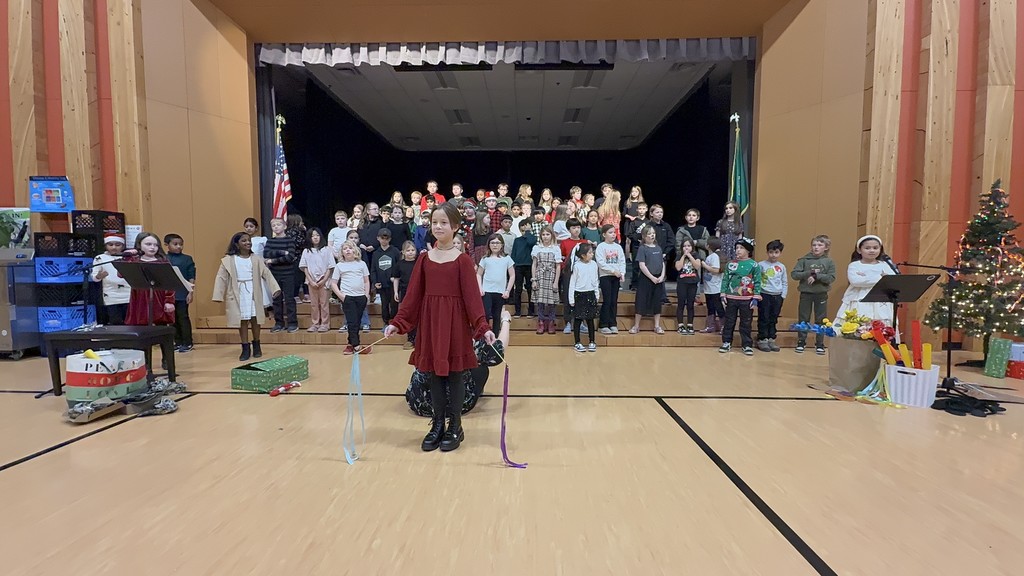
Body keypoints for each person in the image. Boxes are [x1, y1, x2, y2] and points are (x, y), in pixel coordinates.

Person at [384, 201, 496, 453]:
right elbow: (412, 296)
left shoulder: (463, 261)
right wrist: (398, 323)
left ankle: (455, 425)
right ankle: (437, 424)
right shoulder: (424, 260)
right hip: (432, 323)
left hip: (455, 324)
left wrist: (482, 326)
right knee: (434, 375)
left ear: (455, 226)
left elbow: (472, 299)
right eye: (435, 222)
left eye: (444, 222)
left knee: (455, 375)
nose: (438, 226)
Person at [406, 309, 510, 417]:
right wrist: (506, 320)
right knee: (480, 368)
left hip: (418, 403)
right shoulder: (463, 339)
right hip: (454, 407)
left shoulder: (427, 332)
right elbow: (498, 351)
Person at [213, 232, 281, 361]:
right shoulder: (229, 260)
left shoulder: (255, 259)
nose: (247, 243)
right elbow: (221, 277)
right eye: (243, 241)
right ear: (236, 244)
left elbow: (266, 274)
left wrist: (275, 288)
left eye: (249, 240)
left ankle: (257, 344)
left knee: (256, 319)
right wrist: (218, 294)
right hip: (238, 292)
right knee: (242, 320)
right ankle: (245, 346)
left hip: (253, 291)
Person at [833, 235, 898, 325]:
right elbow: (856, 281)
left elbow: (892, 280)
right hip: (859, 299)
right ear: (859, 250)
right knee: (860, 322)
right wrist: (881, 278)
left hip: (881, 300)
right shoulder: (854, 265)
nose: (872, 250)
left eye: (875, 248)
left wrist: (867, 277)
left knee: (882, 323)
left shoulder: (884, 264)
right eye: (867, 248)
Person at [791, 234, 836, 355]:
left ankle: (820, 344)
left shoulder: (829, 262)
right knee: (803, 318)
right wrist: (808, 273)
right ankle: (801, 342)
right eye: (814, 245)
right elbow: (794, 275)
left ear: (826, 247)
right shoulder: (804, 260)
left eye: (820, 245)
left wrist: (817, 276)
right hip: (806, 293)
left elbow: (831, 278)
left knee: (821, 319)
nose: (816, 247)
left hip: (821, 294)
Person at [719, 237, 762, 356]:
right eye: (737, 248)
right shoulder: (730, 264)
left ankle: (747, 344)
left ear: (748, 250)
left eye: (741, 248)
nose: (738, 250)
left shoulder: (754, 265)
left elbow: (758, 281)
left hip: (747, 299)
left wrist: (756, 297)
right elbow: (725, 279)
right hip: (731, 298)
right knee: (729, 321)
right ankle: (727, 342)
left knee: (746, 322)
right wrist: (723, 294)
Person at [123, 232, 175, 326]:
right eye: (148, 244)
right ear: (139, 245)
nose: (152, 247)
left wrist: (169, 301)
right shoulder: (134, 260)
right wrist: (127, 257)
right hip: (139, 297)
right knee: (140, 323)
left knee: (158, 324)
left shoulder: (162, 261)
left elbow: (170, 284)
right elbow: (121, 274)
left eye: (155, 245)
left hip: (158, 296)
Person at [331, 240, 371, 355]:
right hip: (347, 298)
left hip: (360, 297)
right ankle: (357, 346)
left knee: (357, 322)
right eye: (345, 249)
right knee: (352, 322)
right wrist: (341, 296)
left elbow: (366, 281)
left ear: (355, 250)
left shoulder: (361, 264)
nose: (348, 250)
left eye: (350, 248)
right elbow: (333, 283)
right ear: (342, 252)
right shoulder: (340, 266)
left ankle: (350, 345)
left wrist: (366, 295)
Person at [263, 218, 298, 333]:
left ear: (284, 226)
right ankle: (279, 323)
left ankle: (292, 323)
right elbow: (266, 254)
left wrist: (272, 261)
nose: (276, 227)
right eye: (273, 225)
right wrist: (282, 252)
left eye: (278, 224)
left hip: (288, 274)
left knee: (289, 299)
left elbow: (290, 257)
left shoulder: (290, 240)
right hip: (274, 274)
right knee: (276, 299)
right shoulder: (270, 241)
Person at [630, 226, 666, 334]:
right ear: (644, 236)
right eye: (649, 234)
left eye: (653, 233)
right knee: (641, 301)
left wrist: (661, 276)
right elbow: (642, 265)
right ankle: (636, 326)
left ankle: (657, 325)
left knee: (657, 302)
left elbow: (662, 263)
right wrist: (651, 277)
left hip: (658, 278)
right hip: (646, 279)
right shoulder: (643, 248)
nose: (652, 235)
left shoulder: (658, 248)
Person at [299, 227, 335, 333]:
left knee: (324, 303)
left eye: (317, 235)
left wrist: (324, 280)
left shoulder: (326, 250)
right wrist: (310, 280)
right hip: (311, 281)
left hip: (324, 281)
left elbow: (330, 266)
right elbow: (304, 267)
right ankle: (315, 323)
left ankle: (325, 323)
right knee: (314, 304)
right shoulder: (306, 251)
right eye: (313, 236)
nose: (315, 238)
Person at [477, 233, 515, 334]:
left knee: (497, 315)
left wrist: (507, 290)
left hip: (500, 291)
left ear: (502, 245)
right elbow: (479, 274)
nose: (495, 245)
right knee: (485, 314)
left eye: (497, 243)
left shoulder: (507, 259)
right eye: (492, 243)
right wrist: (480, 288)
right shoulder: (485, 259)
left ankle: (496, 337)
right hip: (487, 291)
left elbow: (512, 275)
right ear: (489, 244)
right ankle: (484, 336)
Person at [164, 234, 196, 352]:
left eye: (181, 244)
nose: (179, 247)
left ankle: (187, 342)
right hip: (168, 294)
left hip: (183, 293)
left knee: (183, 317)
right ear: (167, 245)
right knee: (172, 319)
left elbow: (191, 276)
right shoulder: (164, 258)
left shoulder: (187, 259)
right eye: (175, 244)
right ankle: (177, 341)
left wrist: (190, 292)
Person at [91, 235, 130, 325]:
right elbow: (94, 278)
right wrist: (99, 276)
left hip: (129, 294)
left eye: (117, 245)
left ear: (123, 246)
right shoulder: (100, 258)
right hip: (111, 295)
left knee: (129, 321)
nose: (114, 247)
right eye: (110, 244)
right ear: (105, 245)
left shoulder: (127, 257)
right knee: (115, 321)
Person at [757, 239, 788, 352]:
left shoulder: (782, 267)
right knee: (764, 317)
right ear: (767, 252)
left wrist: (782, 295)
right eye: (771, 252)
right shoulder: (761, 265)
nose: (773, 255)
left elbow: (784, 282)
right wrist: (757, 293)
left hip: (777, 295)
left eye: (776, 252)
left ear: (780, 253)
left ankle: (771, 338)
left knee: (773, 318)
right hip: (764, 294)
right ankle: (762, 338)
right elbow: (757, 280)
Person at [568, 243, 600, 352]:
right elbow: (572, 283)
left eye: (592, 252)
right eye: (590, 253)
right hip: (579, 294)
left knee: (590, 320)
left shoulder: (594, 264)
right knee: (578, 319)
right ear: (582, 255)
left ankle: (592, 341)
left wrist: (596, 294)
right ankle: (577, 342)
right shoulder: (576, 266)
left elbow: (596, 280)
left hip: (590, 294)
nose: (592, 254)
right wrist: (571, 299)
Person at [531, 225, 562, 334]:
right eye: (543, 234)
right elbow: (534, 264)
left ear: (552, 235)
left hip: (551, 276)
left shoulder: (556, 248)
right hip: (540, 276)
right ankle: (541, 321)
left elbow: (558, 266)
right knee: (540, 301)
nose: (545, 237)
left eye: (547, 234)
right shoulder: (537, 248)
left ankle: (551, 321)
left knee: (551, 301)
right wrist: (534, 279)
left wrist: (556, 282)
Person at [595, 224, 626, 334]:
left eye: (614, 232)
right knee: (607, 300)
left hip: (616, 277)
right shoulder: (601, 247)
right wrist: (613, 271)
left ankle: (612, 323)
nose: (613, 234)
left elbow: (622, 261)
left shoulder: (618, 247)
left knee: (614, 301)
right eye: (610, 232)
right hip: (605, 277)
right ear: (604, 234)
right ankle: (603, 324)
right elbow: (601, 263)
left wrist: (622, 273)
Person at [392, 241, 419, 350]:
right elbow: (396, 279)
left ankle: (419, 339)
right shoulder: (399, 264)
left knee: (419, 316)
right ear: (403, 252)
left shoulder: (418, 263)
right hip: (405, 293)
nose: (410, 252)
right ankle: (410, 339)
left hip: (418, 293)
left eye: (412, 250)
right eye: (408, 250)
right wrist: (395, 292)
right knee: (408, 315)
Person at [371, 228, 400, 328]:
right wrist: (375, 282)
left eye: (386, 238)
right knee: (384, 305)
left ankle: (393, 321)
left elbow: (399, 266)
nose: (384, 240)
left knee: (394, 304)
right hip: (382, 284)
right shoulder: (376, 253)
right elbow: (373, 269)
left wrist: (396, 278)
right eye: (382, 238)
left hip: (393, 284)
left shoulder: (395, 251)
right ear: (378, 238)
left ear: (390, 239)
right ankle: (386, 322)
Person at [244, 218, 273, 310]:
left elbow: (268, 251)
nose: (249, 229)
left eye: (251, 226)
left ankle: (266, 308)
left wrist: (267, 260)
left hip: (260, 264)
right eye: (246, 227)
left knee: (262, 286)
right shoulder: (242, 240)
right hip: (247, 266)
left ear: (256, 228)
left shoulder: (262, 239)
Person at [674, 238, 702, 335]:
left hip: (692, 282)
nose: (686, 248)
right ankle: (680, 325)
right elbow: (678, 267)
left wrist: (689, 256)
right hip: (682, 282)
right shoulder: (679, 255)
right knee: (681, 304)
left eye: (688, 246)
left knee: (690, 305)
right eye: (685, 246)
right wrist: (683, 256)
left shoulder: (696, 255)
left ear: (692, 247)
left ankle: (690, 324)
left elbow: (697, 266)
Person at [510, 219, 536, 318]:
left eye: (527, 225)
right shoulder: (517, 240)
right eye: (523, 226)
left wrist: (528, 232)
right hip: (518, 266)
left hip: (529, 265)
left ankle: (531, 311)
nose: (525, 227)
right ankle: (517, 311)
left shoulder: (533, 238)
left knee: (530, 288)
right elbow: (514, 253)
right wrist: (513, 264)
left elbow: (530, 242)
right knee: (518, 289)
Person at [701, 237, 725, 333]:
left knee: (718, 307)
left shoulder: (714, 256)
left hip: (715, 287)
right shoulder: (712, 256)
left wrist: (704, 265)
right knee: (710, 307)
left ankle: (723, 326)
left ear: (709, 246)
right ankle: (711, 326)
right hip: (709, 287)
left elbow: (716, 270)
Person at [626, 202, 649, 290]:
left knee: (646, 265)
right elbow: (630, 234)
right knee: (636, 265)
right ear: (637, 210)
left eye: (643, 208)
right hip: (636, 246)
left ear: (646, 209)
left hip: (647, 246)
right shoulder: (634, 222)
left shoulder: (649, 222)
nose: (641, 210)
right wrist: (638, 240)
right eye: (640, 209)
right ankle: (635, 284)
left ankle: (645, 283)